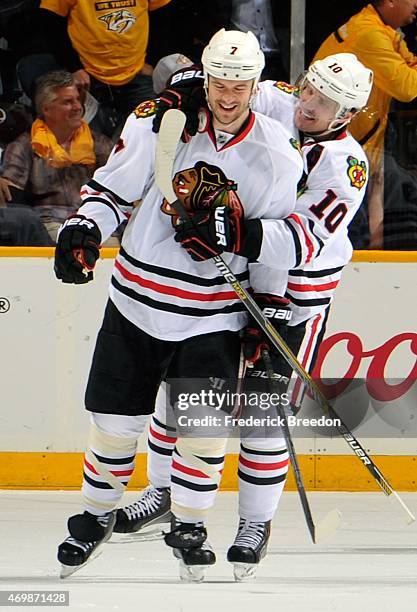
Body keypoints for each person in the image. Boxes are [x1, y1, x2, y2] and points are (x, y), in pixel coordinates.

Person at [53, 28, 303, 581]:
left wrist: (271, 306)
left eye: (240, 84)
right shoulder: (159, 119)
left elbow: (275, 240)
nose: (228, 95)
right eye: (218, 81)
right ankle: (95, 516)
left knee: (201, 431)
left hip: (213, 315)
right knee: (115, 424)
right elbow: (112, 190)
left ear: (255, 84)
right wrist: (83, 230)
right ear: (205, 78)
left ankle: (189, 524)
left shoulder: (278, 156)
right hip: (136, 302)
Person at [113, 52, 373, 580]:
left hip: (294, 298)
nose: (307, 105)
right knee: (188, 388)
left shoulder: (348, 168)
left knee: (259, 414)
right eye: (308, 91)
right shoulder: (281, 97)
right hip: (233, 282)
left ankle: (254, 523)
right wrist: (184, 86)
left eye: (323, 103)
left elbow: (299, 241)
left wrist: (234, 235)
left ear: (347, 114)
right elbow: (220, 82)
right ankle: (164, 491)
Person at [312, 0, 417, 247]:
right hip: (331, 149)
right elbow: (408, 87)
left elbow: (410, 67)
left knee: (378, 189)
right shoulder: (369, 34)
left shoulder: (383, 30)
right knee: (349, 229)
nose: (415, 3)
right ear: (390, 2)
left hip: (358, 138)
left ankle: (373, 258)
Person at [0, 70, 113, 243]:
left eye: (77, 99)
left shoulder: (99, 143)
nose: (77, 107)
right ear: (47, 109)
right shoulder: (24, 146)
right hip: (50, 225)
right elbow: (9, 193)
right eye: (68, 102)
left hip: (94, 222)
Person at [38, 0, 173, 134]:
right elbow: (50, 22)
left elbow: (164, 16)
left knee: (150, 137)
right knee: (91, 144)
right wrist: (74, 67)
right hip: (89, 78)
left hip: (138, 72)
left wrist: (152, 60)